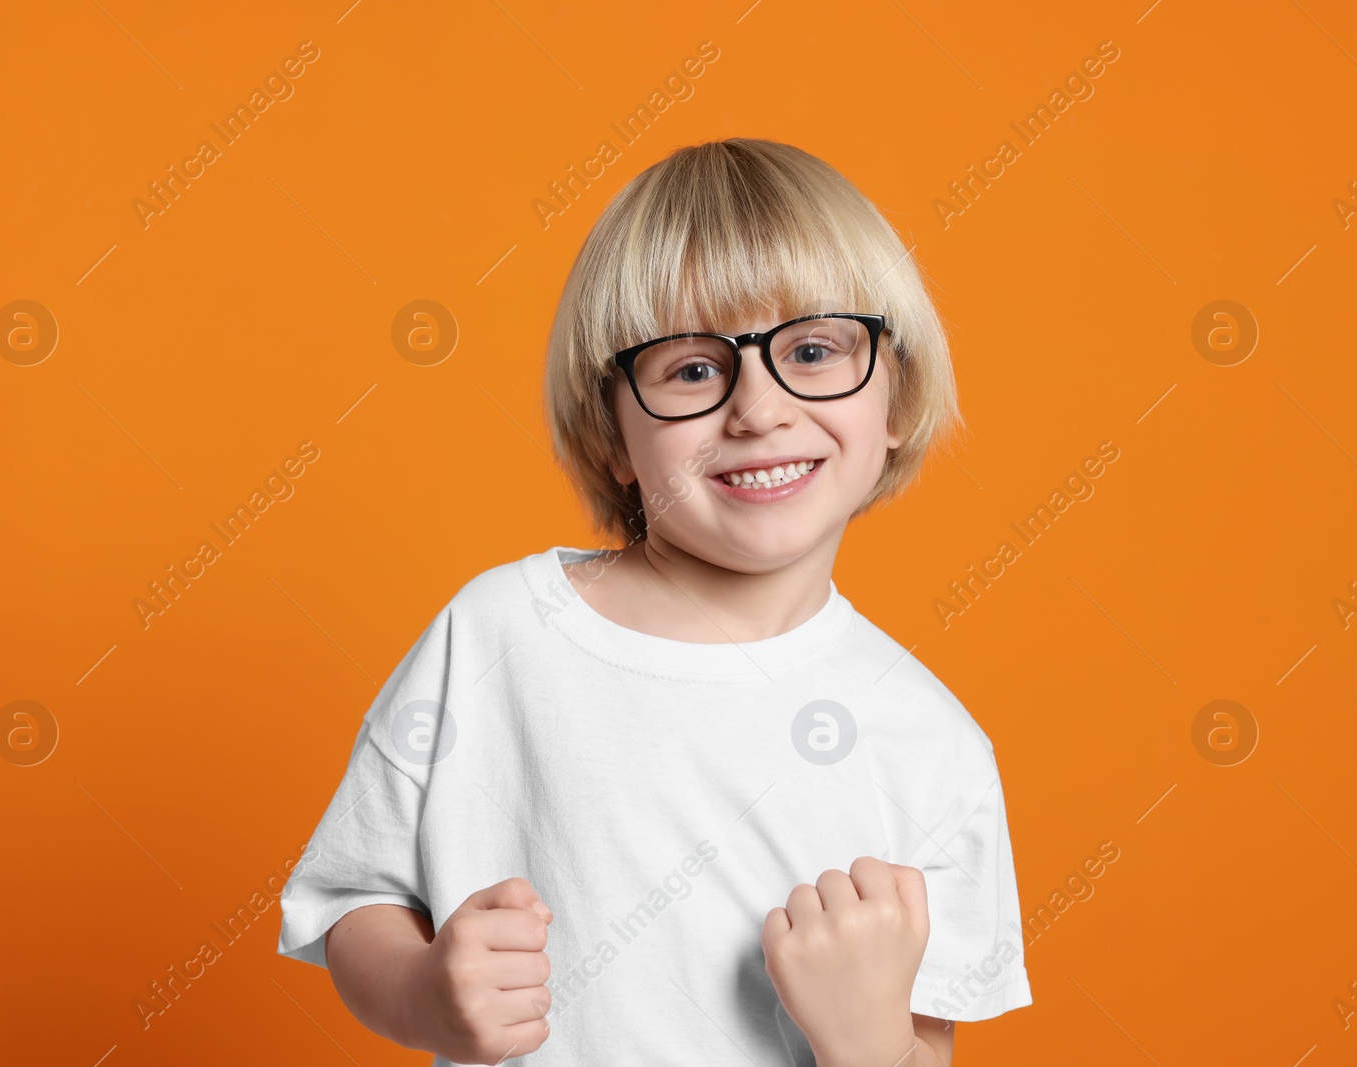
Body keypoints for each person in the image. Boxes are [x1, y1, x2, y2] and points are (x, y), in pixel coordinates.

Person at [276, 137, 1031, 1065]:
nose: (759, 409)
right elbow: (355, 896)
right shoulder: (499, 634)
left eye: (814, 348)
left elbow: (925, 1048)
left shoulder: (932, 744)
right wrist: (423, 996)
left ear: (898, 394)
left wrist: (869, 1037)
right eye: (693, 369)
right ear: (613, 436)